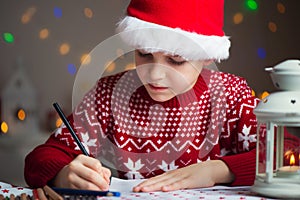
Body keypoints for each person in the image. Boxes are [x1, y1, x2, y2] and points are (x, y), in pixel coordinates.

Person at [24, 0, 259, 192]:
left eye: (175, 60)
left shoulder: (231, 96)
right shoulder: (108, 95)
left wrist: (215, 171)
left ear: (207, 56)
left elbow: (290, 155)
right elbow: (40, 158)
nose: (155, 75)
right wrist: (63, 173)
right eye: (144, 54)